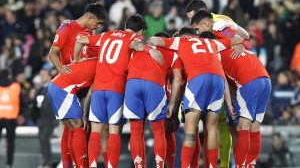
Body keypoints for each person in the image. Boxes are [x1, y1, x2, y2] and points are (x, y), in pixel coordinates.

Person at [74, 14, 163, 168]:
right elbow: (139, 46)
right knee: (114, 132)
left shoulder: (107, 35)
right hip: (116, 88)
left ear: (125, 25)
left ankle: (93, 165)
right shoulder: (131, 38)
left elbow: (80, 40)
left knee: (96, 131)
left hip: (98, 88)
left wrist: (76, 59)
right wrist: (150, 50)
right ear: (140, 31)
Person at [147, 26, 243, 168]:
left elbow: (155, 40)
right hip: (218, 80)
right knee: (212, 128)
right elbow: (239, 38)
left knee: (191, 129)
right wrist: (240, 45)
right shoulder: (211, 42)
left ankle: (185, 166)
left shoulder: (181, 42)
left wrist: (138, 39)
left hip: (198, 79)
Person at [193, 11, 271, 168]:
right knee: (255, 127)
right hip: (265, 77)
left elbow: (222, 83)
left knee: (243, 126)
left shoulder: (214, 52)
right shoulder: (228, 36)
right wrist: (238, 38)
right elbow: (245, 39)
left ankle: (241, 166)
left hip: (248, 81)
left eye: (197, 29)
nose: (196, 33)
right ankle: (250, 165)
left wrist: (228, 103)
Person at [48, 3, 106, 168]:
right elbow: (52, 53)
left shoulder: (88, 33)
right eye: (98, 22)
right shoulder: (66, 28)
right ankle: (73, 164)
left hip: (82, 83)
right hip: (69, 83)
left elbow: (95, 55)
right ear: (90, 17)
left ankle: (76, 163)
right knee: (75, 128)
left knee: (78, 128)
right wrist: (61, 68)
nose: (99, 27)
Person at [123, 31, 182, 168]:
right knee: (159, 131)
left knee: (136, 130)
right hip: (154, 84)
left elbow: (131, 45)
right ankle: (160, 165)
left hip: (132, 83)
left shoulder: (139, 47)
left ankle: (138, 165)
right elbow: (178, 78)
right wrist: (172, 104)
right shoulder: (172, 53)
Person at [48, 58, 98, 168]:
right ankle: (81, 165)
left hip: (56, 85)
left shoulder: (93, 60)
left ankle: (74, 164)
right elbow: (90, 93)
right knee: (79, 126)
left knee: (72, 129)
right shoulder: (103, 66)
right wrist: (85, 113)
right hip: (63, 88)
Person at [0, 69, 24, 168]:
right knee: (10, 143)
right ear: (9, 75)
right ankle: (9, 164)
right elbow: (22, 102)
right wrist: (21, 114)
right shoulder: (16, 86)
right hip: (11, 118)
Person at [33, 69, 56, 168]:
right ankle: (45, 161)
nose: (41, 77)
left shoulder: (53, 87)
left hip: (50, 119)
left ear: (49, 76)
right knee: (41, 140)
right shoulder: (40, 89)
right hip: (41, 119)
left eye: (44, 74)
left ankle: (49, 162)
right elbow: (36, 104)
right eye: (40, 75)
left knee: (45, 139)